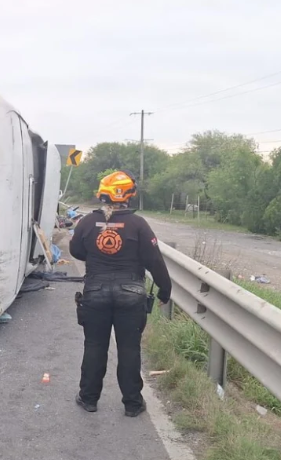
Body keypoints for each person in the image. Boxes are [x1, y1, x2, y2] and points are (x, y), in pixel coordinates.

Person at [69, 170, 172, 417]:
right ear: (130, 195)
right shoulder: (138, 225)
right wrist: (164, 291)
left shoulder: (86, 222)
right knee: (129, 349)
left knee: (94, 346)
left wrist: (97, 257)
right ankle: (133, 404)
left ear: (102, 194)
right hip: (131, 294)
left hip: (95, 292)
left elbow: (75, 250)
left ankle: (89, 399)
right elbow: (154, 260)